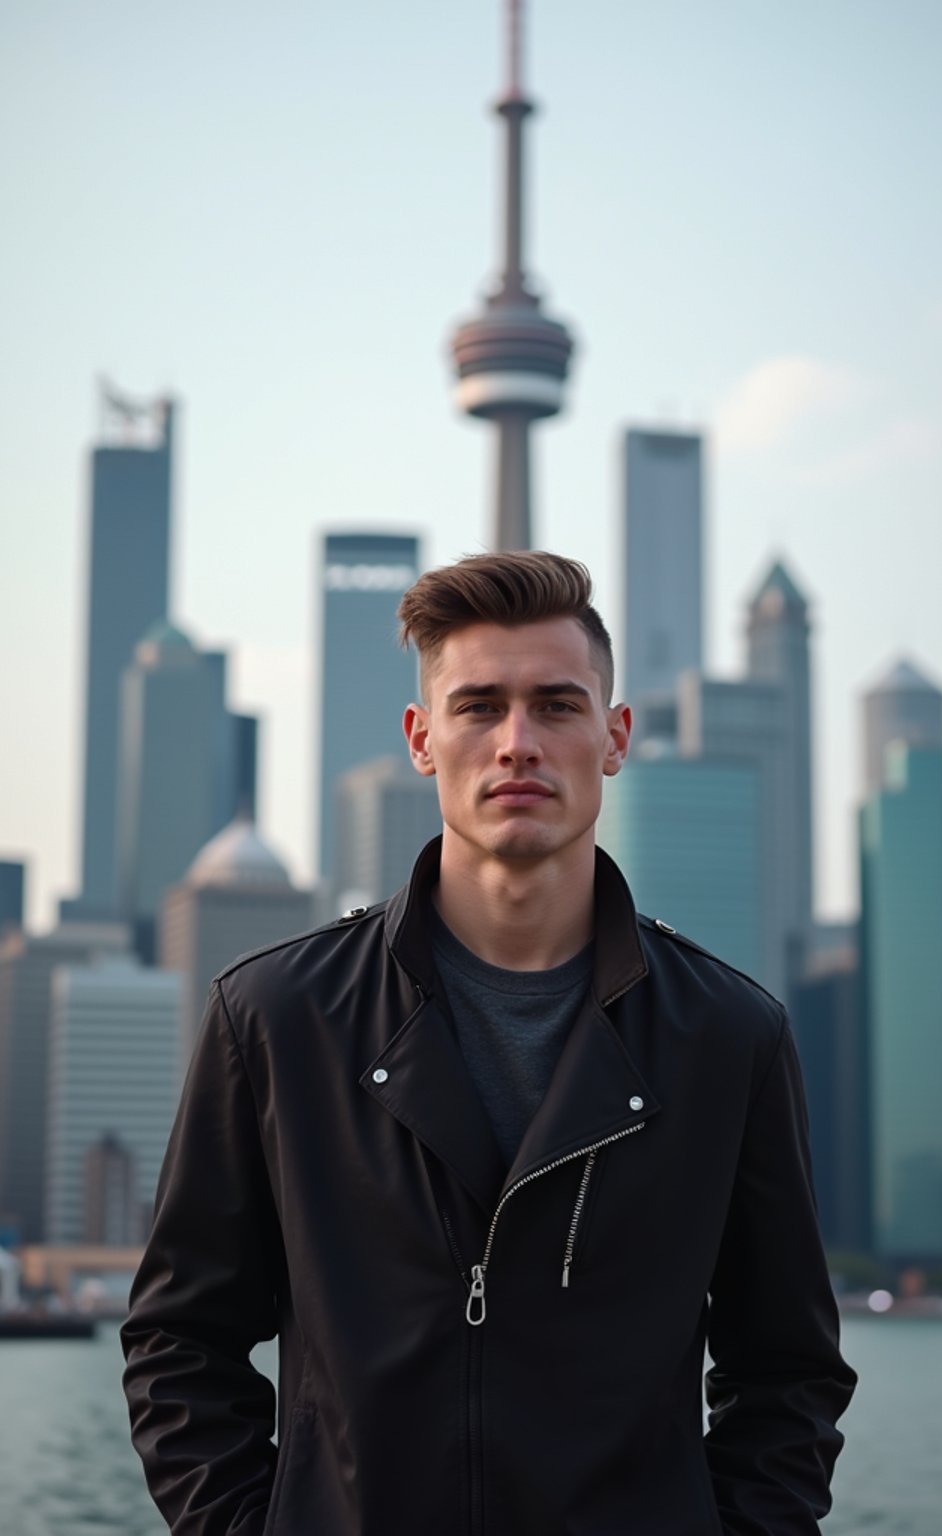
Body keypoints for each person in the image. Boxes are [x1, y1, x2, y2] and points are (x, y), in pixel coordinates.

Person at [122, 550, 855, 1535]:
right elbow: (179, 1341)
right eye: (478, 707)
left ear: (615, 736)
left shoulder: (730, 1035)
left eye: (557, 705)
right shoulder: (276, 1016)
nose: (516, 743)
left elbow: (788, 1373)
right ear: (422, 739)